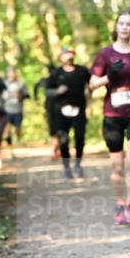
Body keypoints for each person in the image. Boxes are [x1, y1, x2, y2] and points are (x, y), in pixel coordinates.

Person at [90, 10, 130, 224]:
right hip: (112, 115)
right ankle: (120, 204)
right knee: (117, 164)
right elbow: (92, 84)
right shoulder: (105, 54)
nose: (124, 27)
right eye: (121, 23)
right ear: (116, 27)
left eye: (129, 24)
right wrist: (110, 76)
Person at [50, 46, 91, 179]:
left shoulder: (82, 70)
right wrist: (57, 91)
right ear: (61, 57)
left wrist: (89, 93)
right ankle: (67, 167)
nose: (69, 55)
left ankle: (78, 164)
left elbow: (92, 84)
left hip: (79, 110)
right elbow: (47, 91)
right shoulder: (56, 73)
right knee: (63, 140)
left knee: (80, 138)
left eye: (71, 53)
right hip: (61, 111)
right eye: (66, 53)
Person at [35, 64, 62, 159]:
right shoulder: (47, 80)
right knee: (54, 130)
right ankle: (55, 149)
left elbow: (36, 86)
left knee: (57, 130)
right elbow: (37, 87)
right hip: (51, 108)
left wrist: (36, 99)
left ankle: (57, 148)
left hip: (57, 107)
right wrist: (36, 99)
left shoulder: (59, 79)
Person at [2, 66, 29, 146]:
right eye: (10, 72)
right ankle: (9, 145)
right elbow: (0, 96)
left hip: (18, 110)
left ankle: (18, 140)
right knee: (7, 129)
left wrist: (20, 96)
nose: (12, 74)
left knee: (17, 129)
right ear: (7, 74)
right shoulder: (4, 84)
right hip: (7, 110)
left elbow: (27, 95)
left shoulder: (21, 84)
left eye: (13, 72)